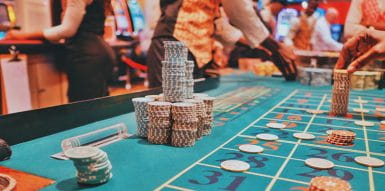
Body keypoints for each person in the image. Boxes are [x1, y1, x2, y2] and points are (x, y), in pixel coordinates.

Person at [147, 0, 297, 88]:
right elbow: (238, 9)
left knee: (185, 119)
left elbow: (217, 24)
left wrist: (258, 45)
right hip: (172, 43)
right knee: (164, 116)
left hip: (197, 55)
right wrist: (274, 46)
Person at [4, 0, 115, 102]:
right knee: (98, 109)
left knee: (82, 112)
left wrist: (23, 36)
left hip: (87, 57)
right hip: (100, 53)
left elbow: (67, 30)